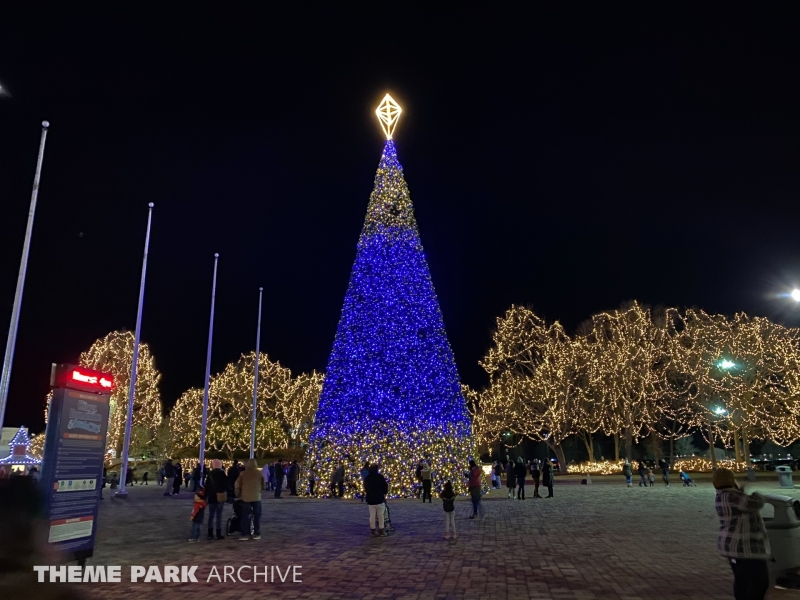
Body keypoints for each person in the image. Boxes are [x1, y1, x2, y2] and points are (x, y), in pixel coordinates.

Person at [713, 467, 770, 600]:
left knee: (742, 580)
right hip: (744, 547)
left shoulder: (722, 495)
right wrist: (757, 493)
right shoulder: (732, 495)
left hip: (731, 545)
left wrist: (740, 491)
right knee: (760, 582)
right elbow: (755, 502)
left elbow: (741, 504)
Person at [234, 459, 265, 541]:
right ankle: (256, 533)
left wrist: (238, 494)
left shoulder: (243, 474)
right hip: (256, 497)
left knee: (245, 516)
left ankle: (244, 534)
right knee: (257, 516)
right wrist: (259, 492)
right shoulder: (259, 473)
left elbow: (237, 485)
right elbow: (263, 485)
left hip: (245, 497)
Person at [204, 459, 228, 540]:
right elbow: (225, 484)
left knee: (211, 515)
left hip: (211, 496)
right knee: (219, 516)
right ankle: (218, 533)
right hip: (220, 496)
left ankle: (210, 533)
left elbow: (207, 486)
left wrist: (206, 496)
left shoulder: (210, 474)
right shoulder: (222, 474)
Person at [364, 463, 389, 536]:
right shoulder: (380, 477)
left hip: (371, 499)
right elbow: (385, 486)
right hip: (379, 498)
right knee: (381, 515)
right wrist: (384, 493)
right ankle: (381, 530)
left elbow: (366, 488)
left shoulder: (367, 478)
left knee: (372, 516)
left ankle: (373, 530)